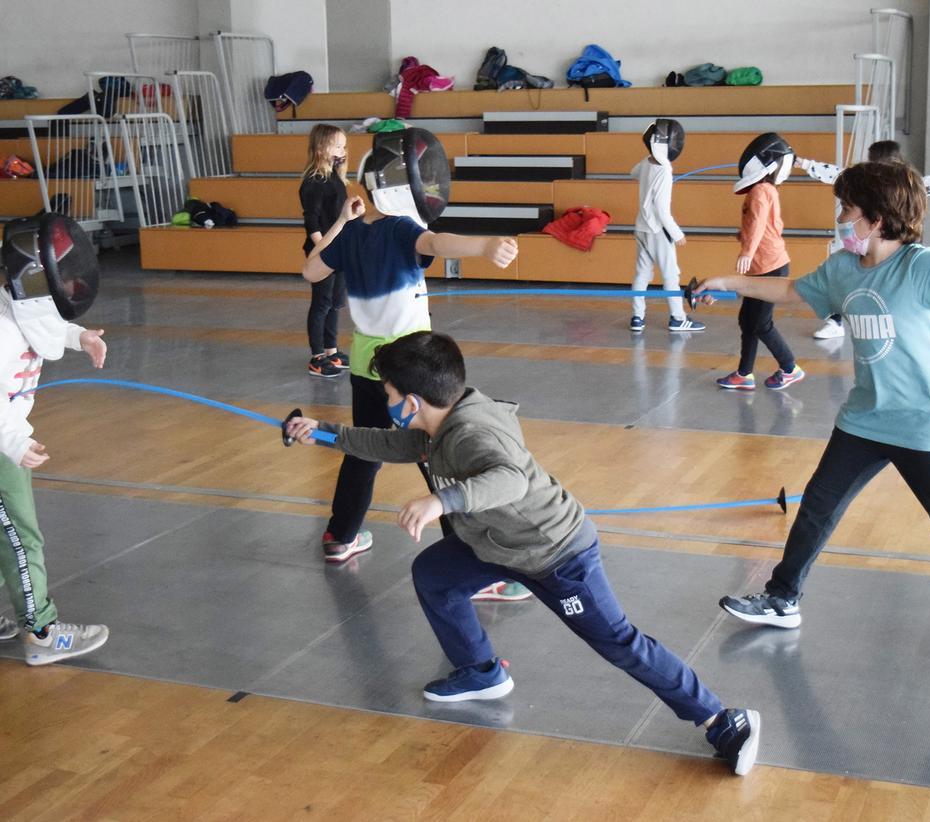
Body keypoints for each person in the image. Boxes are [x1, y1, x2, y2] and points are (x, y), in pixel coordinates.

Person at [286, 331, 761, 775]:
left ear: (412, 401)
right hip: (497, 544)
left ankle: (721, 720)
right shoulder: (439, 421)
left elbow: (508, 478)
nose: (386, 404)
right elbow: (389, 442)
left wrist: (441, 500)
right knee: (435, 574)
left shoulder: (473, 433)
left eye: (388, 396)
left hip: (557, 554)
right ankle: (479, 671)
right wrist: (321, 432)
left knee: (618, 640)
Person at [693, 161, 930, 677]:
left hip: (923, 425)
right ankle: (782, 598)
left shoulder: (923, 267)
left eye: (847, 210)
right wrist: (728, 281)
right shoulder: (842, 268)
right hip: (864, 418)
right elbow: (792, 291)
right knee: (817, 505)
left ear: (876, 220)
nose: (840, 218)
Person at [302, 127, 518, 562]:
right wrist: (487, 245)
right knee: (437, 456)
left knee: (364, 448)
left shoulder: (350, 235)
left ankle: (341, 536)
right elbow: (438, 241)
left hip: (368, 368)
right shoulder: (401, 230)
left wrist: (342, 221)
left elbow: (310, 271)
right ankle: (471, 557)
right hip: (414, 369)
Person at [0, 215, 110, 666]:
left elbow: (48, 326)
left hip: (3, 441)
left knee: (6, 527)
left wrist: (80, 336)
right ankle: (41, 631)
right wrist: (14, 440)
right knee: (22, 537)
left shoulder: (29, 308)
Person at [797, 140, 930, 342]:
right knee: (846, 280)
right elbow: (834, 173)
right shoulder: (866, 185)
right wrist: (805, 164)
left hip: (900, 246)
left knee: (919, 288)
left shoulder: (906, 184)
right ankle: (836, 321)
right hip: (873, 245)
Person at [716, 133, 805, 391]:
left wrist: (746, 251)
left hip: (769, 266)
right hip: (763, 266)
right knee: (748, 321)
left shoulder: (760, 191)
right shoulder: (765, 189)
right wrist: (744, 240)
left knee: (760, 323)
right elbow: (760, 226)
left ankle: (790, 368)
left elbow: (757, 225)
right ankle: (744, 373)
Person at [628, 118, 704, 333]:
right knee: (671, 274)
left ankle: (637, 317)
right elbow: (662, 210)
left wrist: (653, 178)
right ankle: (678, 318)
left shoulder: (646, 163)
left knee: (642, 274)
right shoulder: (664, 170)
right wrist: (677, 233)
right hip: (657, 230)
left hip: (641, 227)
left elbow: (632, 173)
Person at [300, 124, 351, 378]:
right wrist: (322, 249)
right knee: (321, 303)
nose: (342, 150)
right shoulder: (313, 180)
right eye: (337, 145)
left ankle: (331, 350)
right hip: (324, 251)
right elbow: (313, 221)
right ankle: (317, 355)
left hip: (339, 250)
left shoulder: (335, 178)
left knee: (334, 303)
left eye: (344, 145)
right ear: (321, 147)